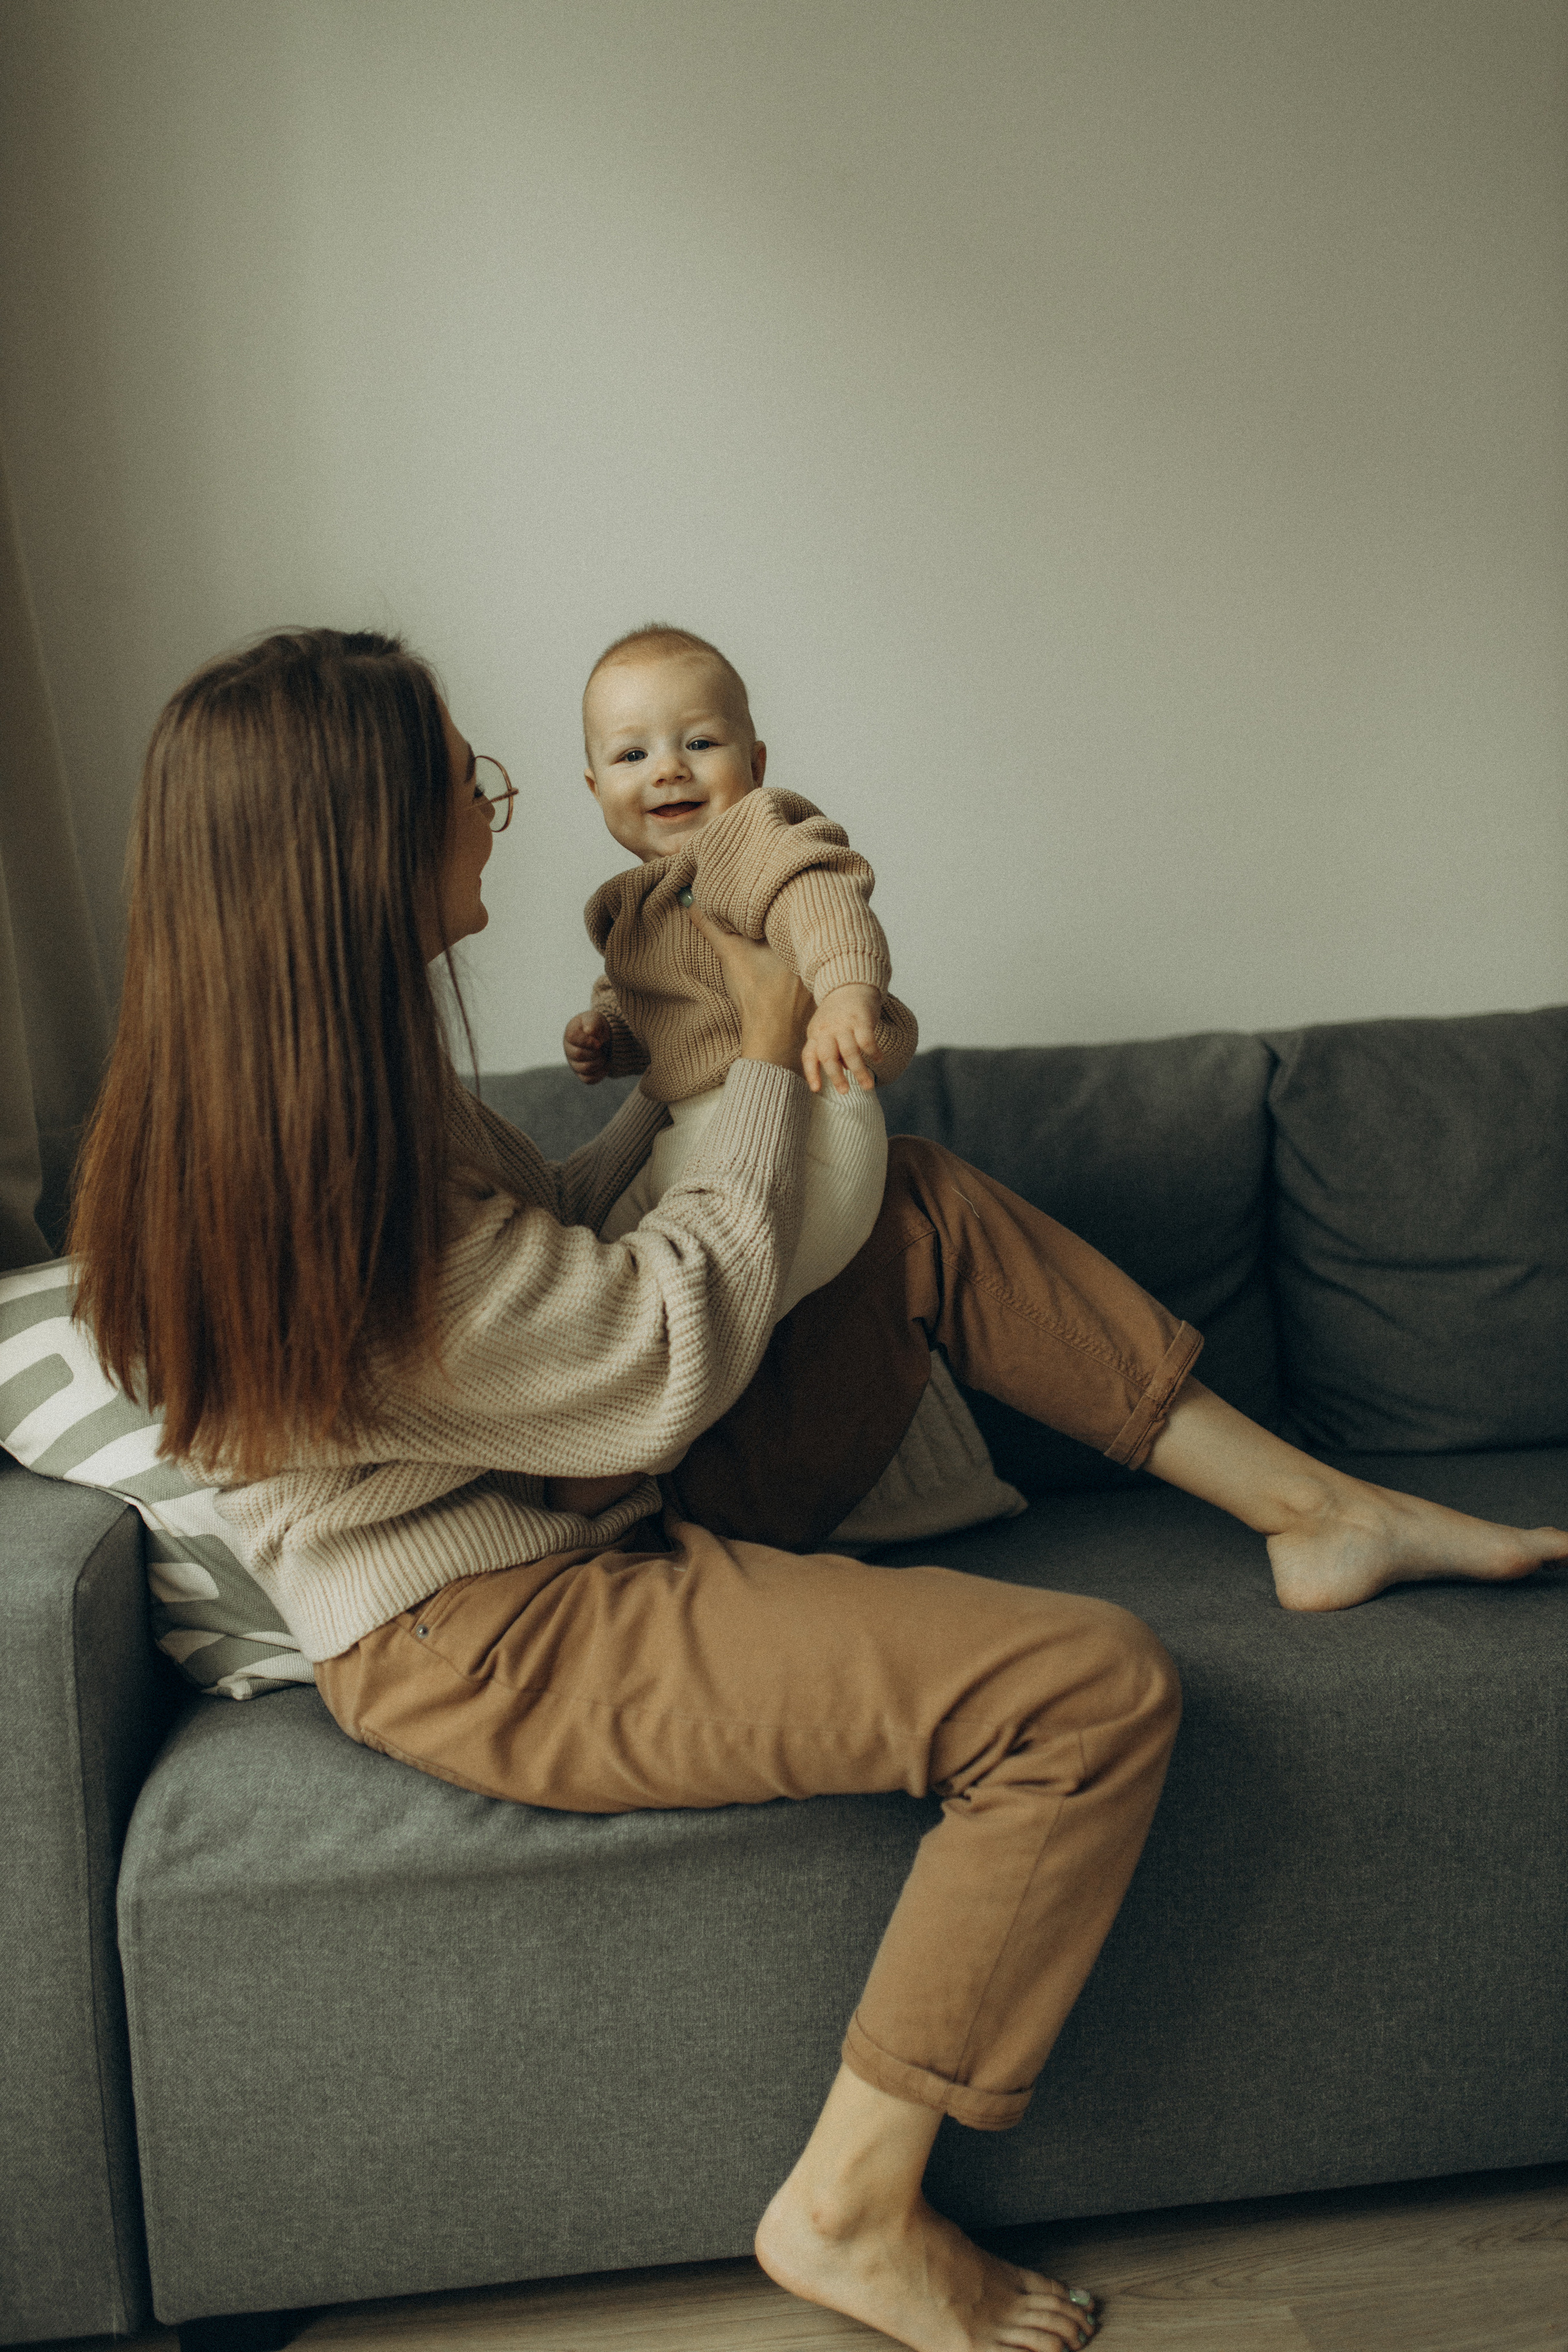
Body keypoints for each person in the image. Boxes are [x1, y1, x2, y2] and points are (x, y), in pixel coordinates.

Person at [69, 629, 1568, 2352]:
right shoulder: (320, 1200)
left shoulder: (334, 1094)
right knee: (1081, 1692)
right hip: (501, 1624)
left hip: (576, 1503)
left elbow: (550, 1266)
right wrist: (766, 1059)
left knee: (908, 1197)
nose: (494, 814)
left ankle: (1319, 1511)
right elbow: (650, 1356)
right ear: (358, 847)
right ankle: (848, 2203)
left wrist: (671, 1105)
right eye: (467, 784)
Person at [566, 622, 917, 1317]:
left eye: (699, 743)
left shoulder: (755, 840)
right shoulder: (640, 909)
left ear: (755, 765)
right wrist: (608, 1035)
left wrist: (847, 993)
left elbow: (821, 906)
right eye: (632, 754)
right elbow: (660, 1010)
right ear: (595, 785)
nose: (668, 769)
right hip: (700, 1132)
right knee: (600, 1265)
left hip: (808, 1115)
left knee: (692, 1305)